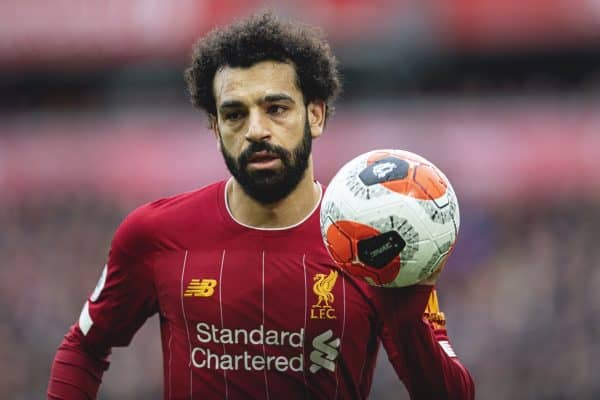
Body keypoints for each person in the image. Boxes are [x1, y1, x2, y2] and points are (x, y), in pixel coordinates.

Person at [47, 12, 474, 399]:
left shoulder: (370, 245)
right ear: (215, 127)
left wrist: (406, 313)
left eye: (276, 108)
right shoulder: (154, 235)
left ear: (316, 115)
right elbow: (85, 347)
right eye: (234, 114)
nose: (255, 130)